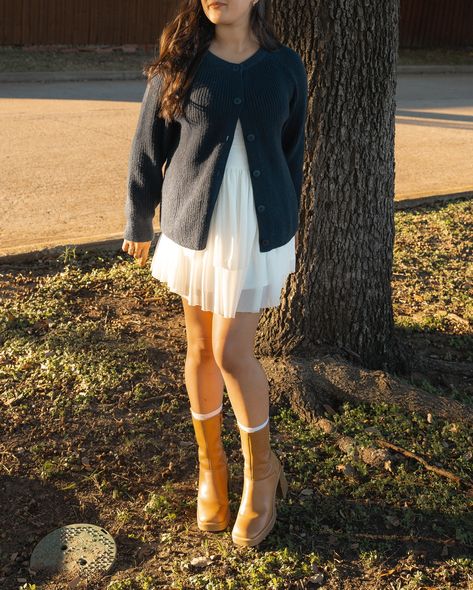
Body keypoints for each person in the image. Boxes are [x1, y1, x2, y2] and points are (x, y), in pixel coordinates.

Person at [122, 0, 308, 547]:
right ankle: (212, 468)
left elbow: (291, 148)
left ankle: (262, 473)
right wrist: (138, 217)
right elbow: (146, 147)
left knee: (232, 353)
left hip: (254, 229)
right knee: (200, 349)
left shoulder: (285, 66)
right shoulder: (181, 60)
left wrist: (286, 217)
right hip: (192, 224)